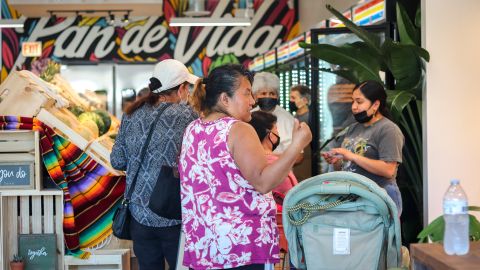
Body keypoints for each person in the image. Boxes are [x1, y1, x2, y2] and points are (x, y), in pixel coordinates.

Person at [179, 64, 311, 269]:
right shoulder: (239, 129)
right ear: (224, 99)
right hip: (241, 248)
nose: (253, 101)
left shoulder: (193, 129)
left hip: (205, 245)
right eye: (247, 93)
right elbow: (264, 182)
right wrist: (297, 145)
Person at [110, 59, 199, 270]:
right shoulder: (189, 116)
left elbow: (117, 160)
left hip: (138, 212)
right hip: (174, 212)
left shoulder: (131, 113)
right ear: (182, 89)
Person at [322, 80, 404, 215]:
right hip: (354, 198)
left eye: (359, 102)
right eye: (352, 101)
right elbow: (348, 164)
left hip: (379, 199)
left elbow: (389, 169)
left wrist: (352, 156)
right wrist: (336, 161)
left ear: (375, 105)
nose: (354, 107)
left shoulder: (388, 129)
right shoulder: (353, 128)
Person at [248, 111, 298, 196]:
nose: (278, 133)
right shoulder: (276, 165)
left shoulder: (247, 161)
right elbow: (294, 197)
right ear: (271, 135)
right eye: (276, 129)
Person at [252, 72, 296, 155]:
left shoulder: (287, 118)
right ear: (255, 96)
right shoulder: (249, 116)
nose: (268, 96)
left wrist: (268, 157)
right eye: (263, 93)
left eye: (272, 93)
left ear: (277, 96)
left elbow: (297, 155)